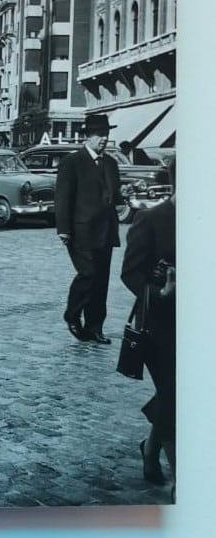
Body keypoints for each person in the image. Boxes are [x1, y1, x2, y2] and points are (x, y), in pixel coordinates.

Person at [120, 157, 176, 496]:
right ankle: (183, 480)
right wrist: (160, 292)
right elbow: (131, 273)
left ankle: (152, 447)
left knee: (175, 396)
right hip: (160, 323)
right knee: (177, 395)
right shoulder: (152, 219)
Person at [54, 113, 121, 343]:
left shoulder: (111, 163)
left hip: (106, 230)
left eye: (106, 134)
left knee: (101, 280)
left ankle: (95, 327)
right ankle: (72, 315)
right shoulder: (72, 162)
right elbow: (63, 197)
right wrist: (63, 228)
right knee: (88, 274)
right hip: (80, 230)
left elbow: (115, 195)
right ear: (88, 136)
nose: (103, 139)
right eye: (99, 134)